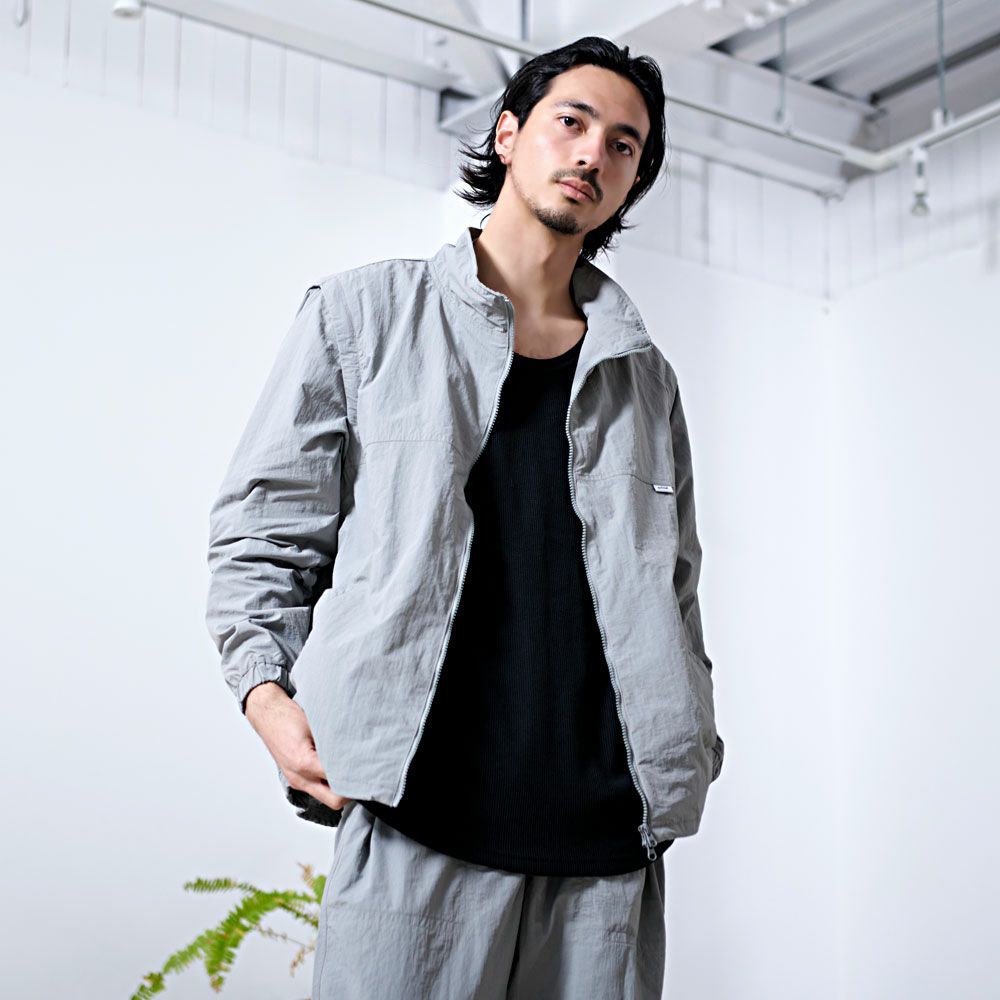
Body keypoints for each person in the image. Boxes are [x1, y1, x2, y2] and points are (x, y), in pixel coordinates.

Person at [205, 35, 724, 1000]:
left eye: (624, 145)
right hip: (420, 820)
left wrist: (692, 748)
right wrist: (266, 698)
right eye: (572, 121)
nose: (594, 153)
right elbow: (263, 535)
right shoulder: (364, 317)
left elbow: (676, 590)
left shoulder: (644, 378)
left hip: (608, 853)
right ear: (509, 133)